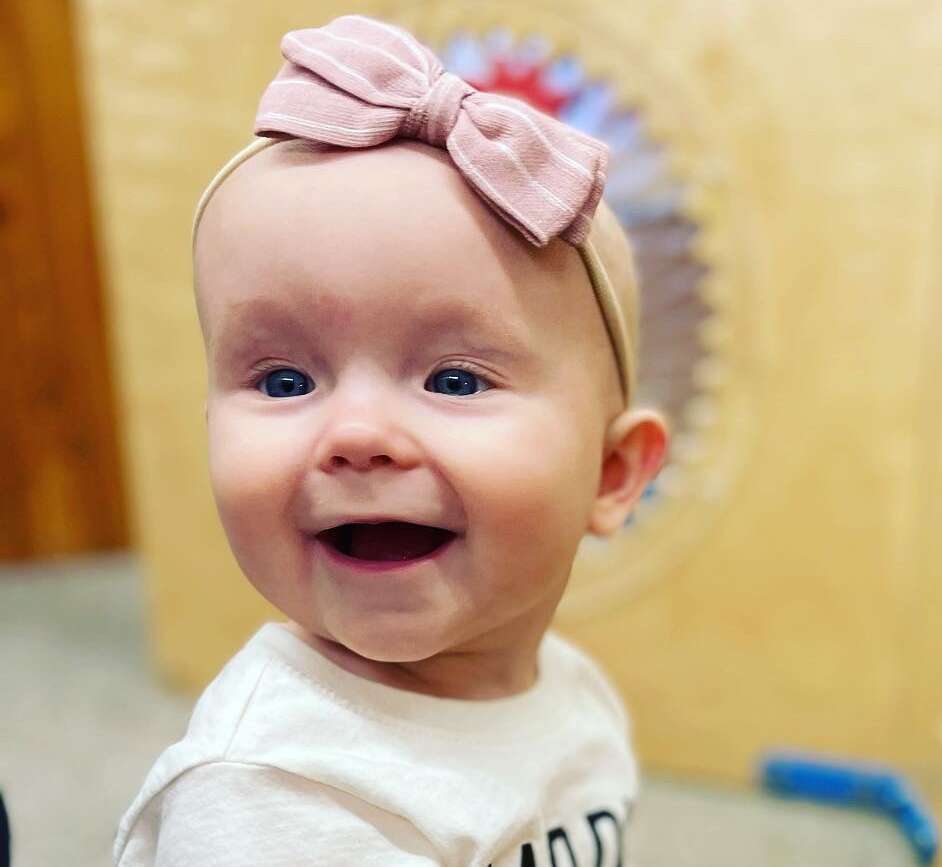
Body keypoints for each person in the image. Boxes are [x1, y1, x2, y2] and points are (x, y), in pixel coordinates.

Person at [113, 14, 669, 866]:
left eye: (454, 380)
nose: (358, 434)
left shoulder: (575, 699)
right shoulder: (275, 793)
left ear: (612, 472)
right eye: (285, 381)